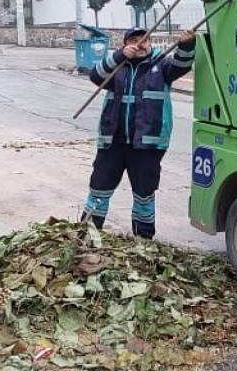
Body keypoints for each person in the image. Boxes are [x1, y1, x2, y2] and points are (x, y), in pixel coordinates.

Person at [82, 28, 197, 239]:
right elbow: (95, 75)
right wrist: (119, 56)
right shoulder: (117, 67)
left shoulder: (161, 65)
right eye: (134, 41)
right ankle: (87, 236)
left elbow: (182, 65)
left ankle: (143, 242)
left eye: (145, 40)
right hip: (113, 143)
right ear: (126, 45)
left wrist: (187, 45)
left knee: (144, 196)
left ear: (151, 44)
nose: (141, 44)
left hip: (147, 145)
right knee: (98, 190)